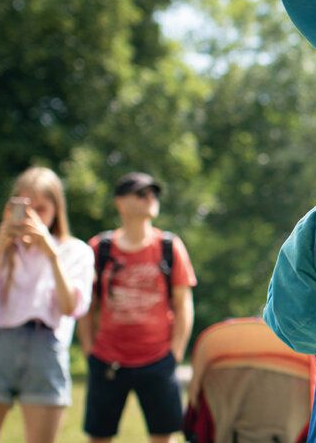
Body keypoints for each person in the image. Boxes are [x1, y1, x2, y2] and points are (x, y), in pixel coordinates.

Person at [78, 172, 197, 443]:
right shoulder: (100, 248)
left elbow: (183, 304)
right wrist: (89, 349)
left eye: (153, 193)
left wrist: (175, 353)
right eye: (141, 193)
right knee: (99, 435)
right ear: (120, 202)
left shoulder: (169, 246)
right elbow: (87, 305)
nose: (150, 198)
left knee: (163, 435)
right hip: (108, 360)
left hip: (158, 359)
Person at [0, 167, 95, 442]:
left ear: (57, 209)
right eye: (26, 208)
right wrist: (1, 250)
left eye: (41, 209)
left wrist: (50, 253)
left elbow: (69, 308)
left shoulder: (74, 251)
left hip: (46, 346)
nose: (33, 217)